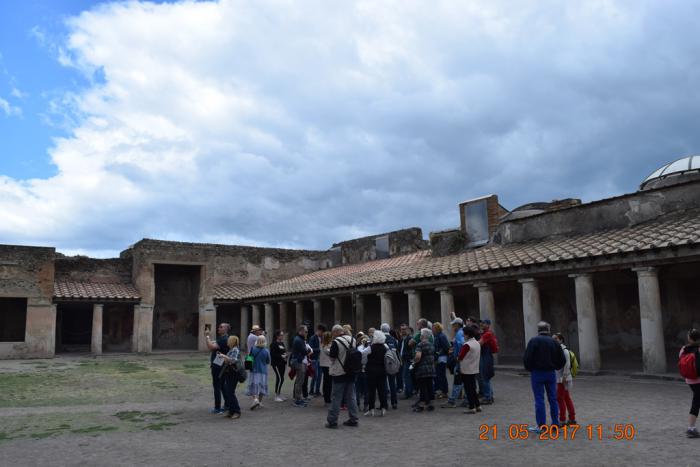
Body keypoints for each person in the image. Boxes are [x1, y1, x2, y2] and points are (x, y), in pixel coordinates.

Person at [524, 321, 566, 432]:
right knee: (553, 399)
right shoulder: (554, 342)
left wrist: (530, 368)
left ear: (538, 330)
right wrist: (556, 367)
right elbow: (562, 360)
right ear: (548, 330)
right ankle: (555, 424)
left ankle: (541, 426)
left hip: (537, 373)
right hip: (551, 373)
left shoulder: (534, 341)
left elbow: (527, 358)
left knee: (539, 399)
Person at [326, 325, 360, 429]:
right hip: (351, 372)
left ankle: (332, 421)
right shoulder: (353, 340)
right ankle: (354, 418)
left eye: (333, 333)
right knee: (351, 397)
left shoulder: (336, 342)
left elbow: (332, 358)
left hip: (339, 372)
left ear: (335, 332)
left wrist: (328, 351)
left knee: (336, 397)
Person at [205, 323, 230, 414]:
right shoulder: (223, 338)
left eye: (221, 327)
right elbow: (213, 344)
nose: (218, 328)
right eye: (219, 326)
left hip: (218, 366)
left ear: (226, 329)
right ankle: (227, 405)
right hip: (220, 364)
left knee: (217, 386)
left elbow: (211, 347)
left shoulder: (224, 339)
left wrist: (207, 336)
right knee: (222, 386)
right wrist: (210, 339)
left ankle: (217, 407)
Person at [680, 329, 700, 438]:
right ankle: (691, 428)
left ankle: (691, 428)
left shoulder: (684, 349)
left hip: (690, 380)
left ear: (689, 338)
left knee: (697, 400)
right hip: (699, 380)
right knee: (696, 402)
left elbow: (681, 361)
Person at [552, 333, 576, 425]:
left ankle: (562, 420)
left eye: (556, 338)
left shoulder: (564, 351)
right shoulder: (557, 350)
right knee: (566, 398)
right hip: (559, 377)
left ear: (561, 340)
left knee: (559, 398)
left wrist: (564, 377)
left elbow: (567, 365)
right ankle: (572, 418)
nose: (553, 340)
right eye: (553, 339)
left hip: (562, 379)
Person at [364, 330, 388, 416]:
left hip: (371, 370)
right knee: (382, 390)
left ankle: (371, 409)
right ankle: (383, 408)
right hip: (382, 370)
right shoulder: (385, 347)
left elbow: (363, 356)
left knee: (372, 390)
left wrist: (365, 363)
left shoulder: (371, 347)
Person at [442, 317, 465, 409]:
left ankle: (452, 401)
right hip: (463, 360)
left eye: (454, 325)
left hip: (459, 361)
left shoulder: (459, 333)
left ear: (457, 325)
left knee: (457, 381)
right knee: (464, 382)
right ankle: (467, 400)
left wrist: (458, 356)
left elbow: (462, 345)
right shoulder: (462, 332)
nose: (453, 327)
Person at [458, 325, 482, 414]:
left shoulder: (467, 345)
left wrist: (456, 358)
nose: (463, 335)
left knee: (468, 389)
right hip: (474, 368)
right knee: (473, 388)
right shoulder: (477, 343)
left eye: (464, 334)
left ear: (467, 335)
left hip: (466, 369)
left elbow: (460, 357)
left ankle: (472, 407)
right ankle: (477, 405)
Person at [413, 328, 436, 412]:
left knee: (423, 387)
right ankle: (430, 404)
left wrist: (414, 362)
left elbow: (418, 356)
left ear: (422, 336)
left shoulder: (420, 344)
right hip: (431, 368)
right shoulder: (431, 344)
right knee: (430, 386)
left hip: (422, 369)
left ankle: (421, 405)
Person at [219, 335, 242, 419]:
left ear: (232, 341)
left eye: (229, 340)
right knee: (228, 391)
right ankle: (231, 411)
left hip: (233, 373)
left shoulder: (235, 349)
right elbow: (228, 361)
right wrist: (223, 357)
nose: (227, 342)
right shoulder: (231, 349)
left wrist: (224, 356)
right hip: (229, 373)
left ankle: (237, 411)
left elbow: (233, 360)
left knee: (230, 392)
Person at [246, 335, 271, 410]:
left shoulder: (253, 349)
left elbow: (249, 359)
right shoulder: (266, 351)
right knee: (262, 386)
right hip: (263, 371)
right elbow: (268, 361)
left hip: (254, 370)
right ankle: (259, 401)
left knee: (253, 386)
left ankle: (255, 399)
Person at [479, 319, 499, 405]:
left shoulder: (488, 334)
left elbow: (479, 343)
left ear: (488, 324)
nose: (482, 324)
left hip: (486, 356)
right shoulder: (486, 333)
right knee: (486, 377)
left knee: (485, 377)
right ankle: (490, 396)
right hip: (486, 356)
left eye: (483, 323)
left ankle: (487, 397)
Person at [381, 323, 399, 409]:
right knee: (392, 383)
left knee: (383, 384)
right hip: (392, 362)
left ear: (381, 329)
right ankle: (394, 402)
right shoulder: (393, 339)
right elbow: (396, 350)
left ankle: (384, 404)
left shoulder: (381, 338)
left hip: (383, 363)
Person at [290, 325, 309, 407]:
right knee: (299, 381)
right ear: (301, 331)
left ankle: (299, 398)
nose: (307, 333)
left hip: (299, 361)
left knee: (300, 381)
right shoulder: (299, 340)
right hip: (298, 361)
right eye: (306, 331)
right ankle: (297, 400)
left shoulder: (299, 339)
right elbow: (305, 351)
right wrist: (308, 350)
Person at [432, 322, 450, 399]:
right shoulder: (437, 336)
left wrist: (439, 353)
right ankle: (441, 391)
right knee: (439, 376)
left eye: (433, 328)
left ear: (437, 328)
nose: (432, 330)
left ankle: (444, 392)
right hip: (438, 358)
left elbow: (446, 347)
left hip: (442, 358)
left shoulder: (441, 336)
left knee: (442, 376)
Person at [269, 330, 288, 402]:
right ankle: (276, 395)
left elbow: (284, 351)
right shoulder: (273, 344)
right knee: (279, 378)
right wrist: (282, 356)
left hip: (282, 363)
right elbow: (273, 354)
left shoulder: (282, 343)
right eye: (281, 335)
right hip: (276, 364)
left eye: (283, 335)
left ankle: (279, 394)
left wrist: (286, 355)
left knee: (282, 378)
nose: (282, 336)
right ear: (277, 336)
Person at [309, 324, 326, 397]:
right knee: (315, 375)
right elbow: (310, 348)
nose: (322, 334)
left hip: (320, 359)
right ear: (319, 330)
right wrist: (320, 349)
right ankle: (311, 390)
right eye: (322, 332)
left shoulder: (322, 338)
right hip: (314, 359)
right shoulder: (313, 338)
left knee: (319, 376)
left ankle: (317, 391)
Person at [356, 332, 370, 411]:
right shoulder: (369, 348)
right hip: (366, 369)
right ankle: (365, 405)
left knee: (357, 389)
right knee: (366, 389)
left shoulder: (358, 348)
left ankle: (358, 404)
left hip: (359, 369)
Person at [399, 323, 414, 399]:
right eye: (401, 329)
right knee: (405, 376)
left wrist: (405, 356)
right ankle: (408, 392)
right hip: (403, 360)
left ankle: (408, 393)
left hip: (407, 360)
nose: (403, 331)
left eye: (404, 329)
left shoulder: (409, 338)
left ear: (407, 329)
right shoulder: (402, 339)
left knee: (407, 376)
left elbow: (411, 350)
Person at [320, 331, 333, 406]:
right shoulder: (327, 346)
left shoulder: (322, 345)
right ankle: (327, 399)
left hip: (324, 365)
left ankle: (327, 398)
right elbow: (331, 353)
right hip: (327, 365)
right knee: (328, 383)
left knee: (326, 382)